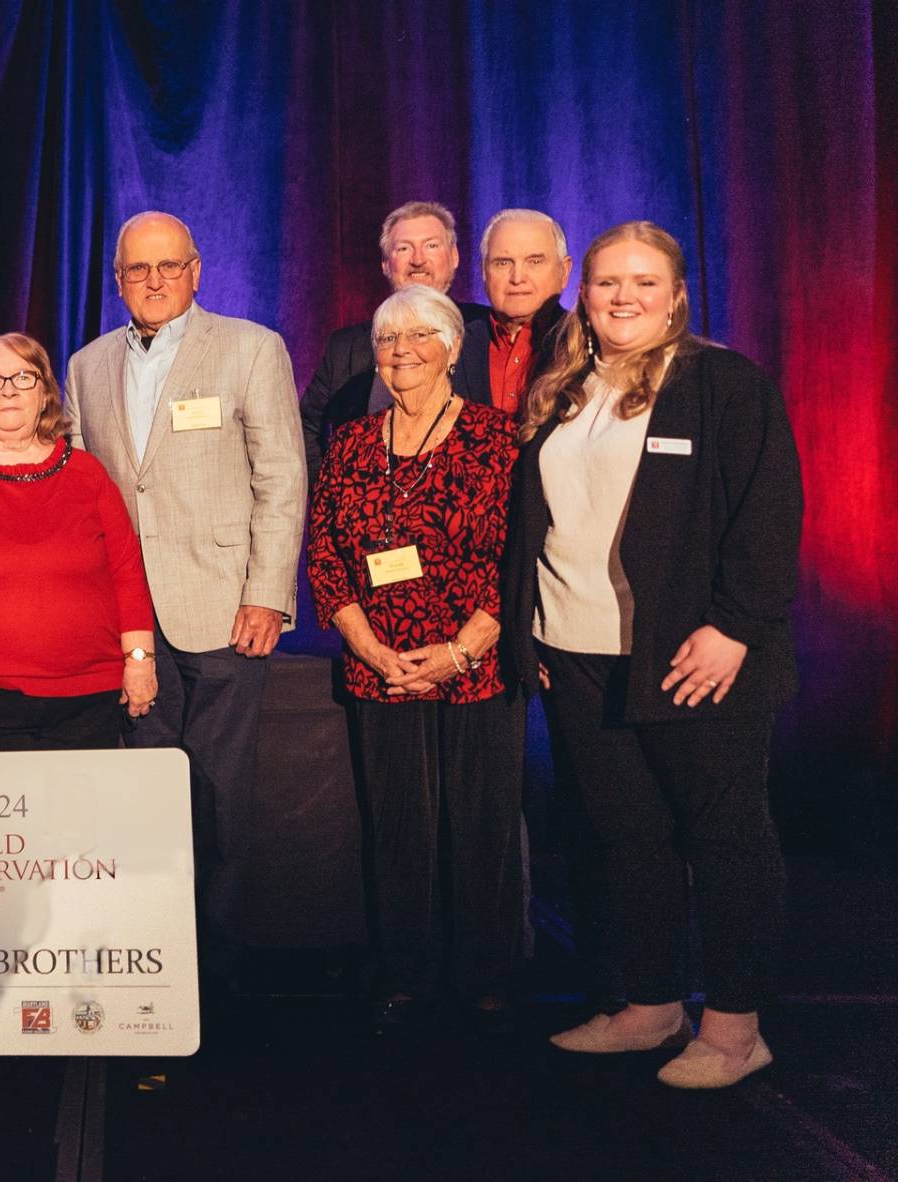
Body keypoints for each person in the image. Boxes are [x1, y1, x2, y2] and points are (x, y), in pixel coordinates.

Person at [505, 222, 802, 1088]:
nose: (622, 297)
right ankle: (650, 1006)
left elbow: (769, 511)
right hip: (579, 653)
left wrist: (735, 626)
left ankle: (735, 1029)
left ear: (675, 296)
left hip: (690, 654)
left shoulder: (722, 383)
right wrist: (532, 630)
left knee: (724, 836)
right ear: (584, 295)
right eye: (607, 283)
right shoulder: (564, 388)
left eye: (643, 282)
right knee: (625, 837)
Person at [63, 210, 304, 920]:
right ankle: (156, 942)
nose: (154, 281)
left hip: (225, 606)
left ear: (195, 272)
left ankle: (216, 951)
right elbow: (86, 493)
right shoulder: (86, 366)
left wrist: (267, 593)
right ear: (117, 281)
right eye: (137, 269)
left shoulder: (251, 349)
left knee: (220, 790)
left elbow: (282, 477)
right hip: (129, 618)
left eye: (168, 266)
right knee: (145, 785)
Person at [306, 284, 523, 1034]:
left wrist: (462, 650)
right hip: (382, 668)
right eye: (387, 338)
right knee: (398, 826)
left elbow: (519, 559)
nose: (401, 351)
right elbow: (325, 555)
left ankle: (486, 974)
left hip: (476, 667)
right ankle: (406, 973)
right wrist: (369, 648)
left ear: (453, 347)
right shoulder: (350, 445)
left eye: (419, 335)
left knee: (482, 824)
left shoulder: (498, 438)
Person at [0, 332, 157, 752]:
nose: (8, 391)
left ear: (45, 394)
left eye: (23, 377)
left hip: (86, 704)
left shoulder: (89, 476)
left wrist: (141, 662)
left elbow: (127, 576)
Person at [301, 201, 488, 471]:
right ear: (386, 264)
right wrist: (330, 486)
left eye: (431, 245)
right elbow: (305, 426)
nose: (418, 260)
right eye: (403, 248)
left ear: (454, 256)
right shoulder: (346, 346)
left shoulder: (484, 331)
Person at [459, 209, 572, 419]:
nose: (517, 278)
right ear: (483, 271)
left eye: (534, 261)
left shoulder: (585, 344)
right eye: (503, 263)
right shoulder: (453, 345)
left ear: (564, 272)